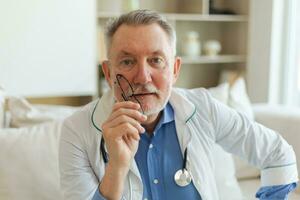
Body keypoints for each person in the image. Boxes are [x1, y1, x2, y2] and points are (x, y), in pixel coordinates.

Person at [59, 9, 298, 200]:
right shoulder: (76, 130)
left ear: (174, 70)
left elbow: (277, 153)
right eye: (127, 61)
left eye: (156, 60)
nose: (143, 77)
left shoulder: (204, 107)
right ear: (109, 73)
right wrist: (117, 167)